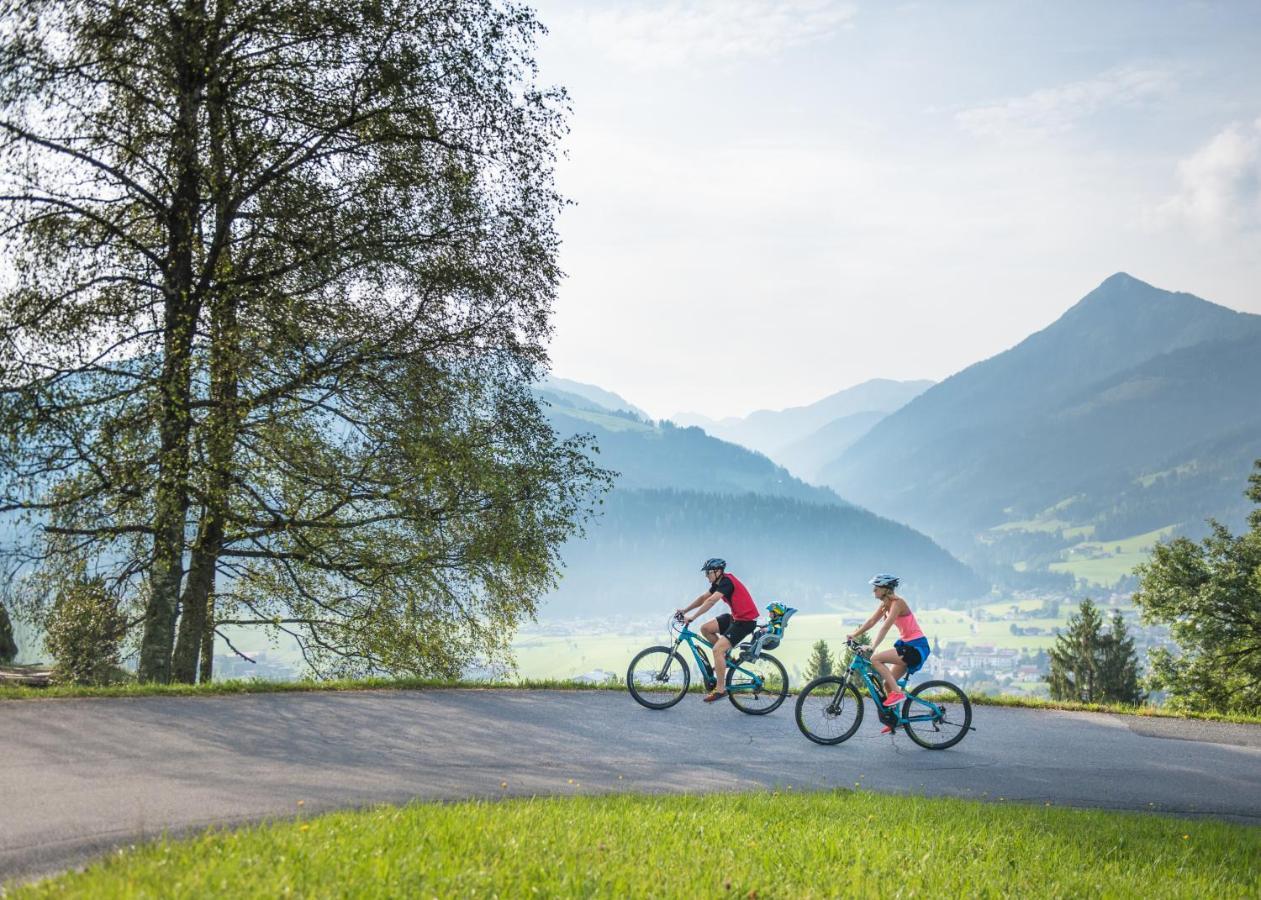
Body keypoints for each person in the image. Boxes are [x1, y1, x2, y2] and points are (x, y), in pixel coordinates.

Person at [846, 573, 931, 732]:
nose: (873, 591)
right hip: (907, 646)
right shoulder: (885, 604)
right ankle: (895, 721)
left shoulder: (897, 603)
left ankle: (898, 694)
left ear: (885, 589)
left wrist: (872, 647)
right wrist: (854, 634)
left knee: (876, 659)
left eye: (876, 588)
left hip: (916, 647)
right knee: (887, 683)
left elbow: (885, 627)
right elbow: (872, 621)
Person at [675, 557, 759, 703]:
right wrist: (685, 610)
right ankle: (725, 657)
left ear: (718, 571)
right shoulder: (718, 582)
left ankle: (720, 690)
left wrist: (693, 617)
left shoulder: (726, 582)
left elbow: (711, 601)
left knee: (717, 650)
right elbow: (703, 598)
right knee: (705, 629)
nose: (706, 576)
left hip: (745, 622)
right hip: (735, 618)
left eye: (708, 573)